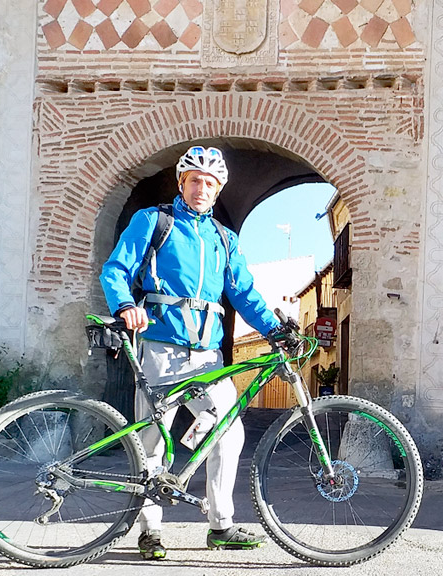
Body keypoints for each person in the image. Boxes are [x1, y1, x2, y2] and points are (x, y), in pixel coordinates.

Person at [100, 145, 282, 560]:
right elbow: (116, 269)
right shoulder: (153, 221)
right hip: (161, 346)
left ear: (219, 191)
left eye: (210, 183)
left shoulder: (224, 239)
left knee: (227, 432)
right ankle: (150, 530)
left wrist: (275, 329)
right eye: (195, 180)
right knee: (152, 439)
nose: (202, 188)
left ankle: (220, 524)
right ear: (182, 183)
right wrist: (125, 305)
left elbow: (243, 293)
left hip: (207, 356)